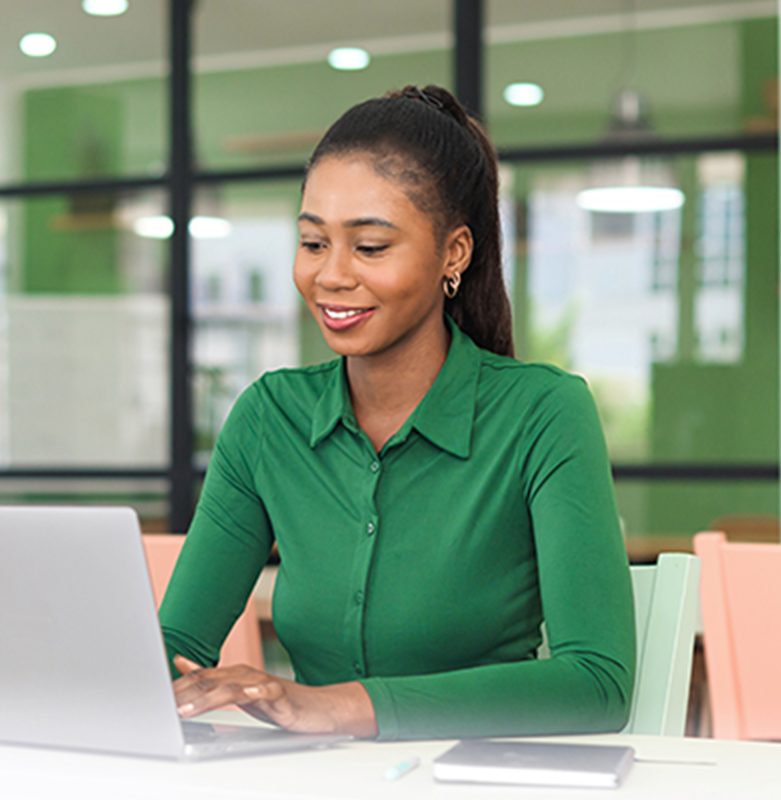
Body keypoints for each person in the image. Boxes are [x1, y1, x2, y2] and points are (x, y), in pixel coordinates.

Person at [158, 85, 634, 741]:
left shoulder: (544, 412)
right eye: (313, 242)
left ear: (454, 253)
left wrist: (336, 706)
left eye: (371, 247)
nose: (330, 275)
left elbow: (597, 684)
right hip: (316, 782)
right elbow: (178, 643)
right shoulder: (270, 417)